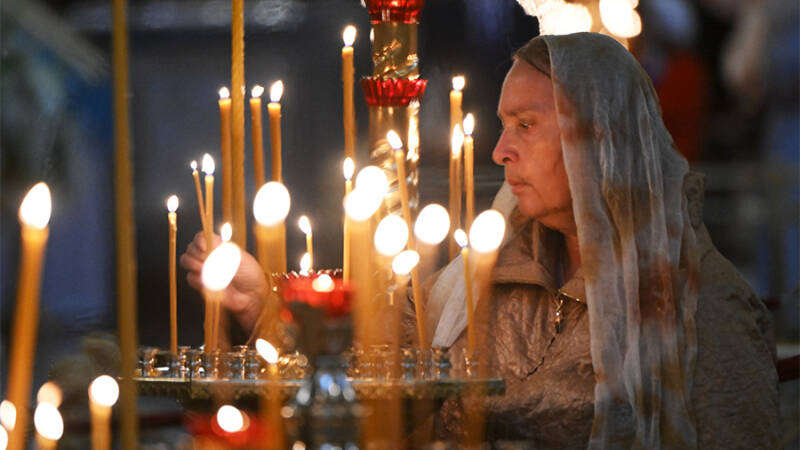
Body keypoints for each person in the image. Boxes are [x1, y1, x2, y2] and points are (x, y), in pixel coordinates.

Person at [182, 32, 779, 448]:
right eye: (502, 125)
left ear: (600, 142)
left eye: (527, 126)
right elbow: (381, 361)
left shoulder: (701, 306)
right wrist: (265, 302)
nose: (500, 152)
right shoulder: (485, 271)